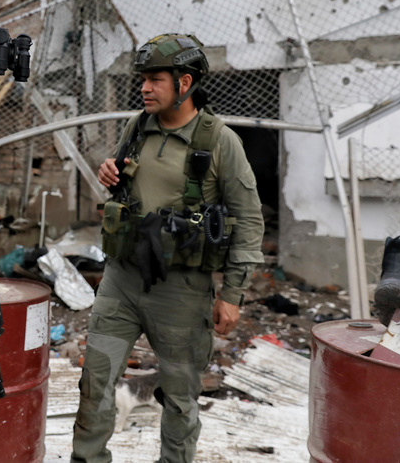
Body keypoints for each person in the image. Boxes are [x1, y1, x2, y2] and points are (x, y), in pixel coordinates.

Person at [71, 33, 265, 463]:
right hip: (121, 281)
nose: (144, 88)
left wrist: (233, 295)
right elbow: (124, 192)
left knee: (179, 398)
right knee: (95, 384)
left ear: (186, 82)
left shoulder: (219, 142)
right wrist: (110, 175)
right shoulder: (136, 127)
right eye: (142, 79)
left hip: (181, 292)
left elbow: (249, 220)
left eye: (155, 79)